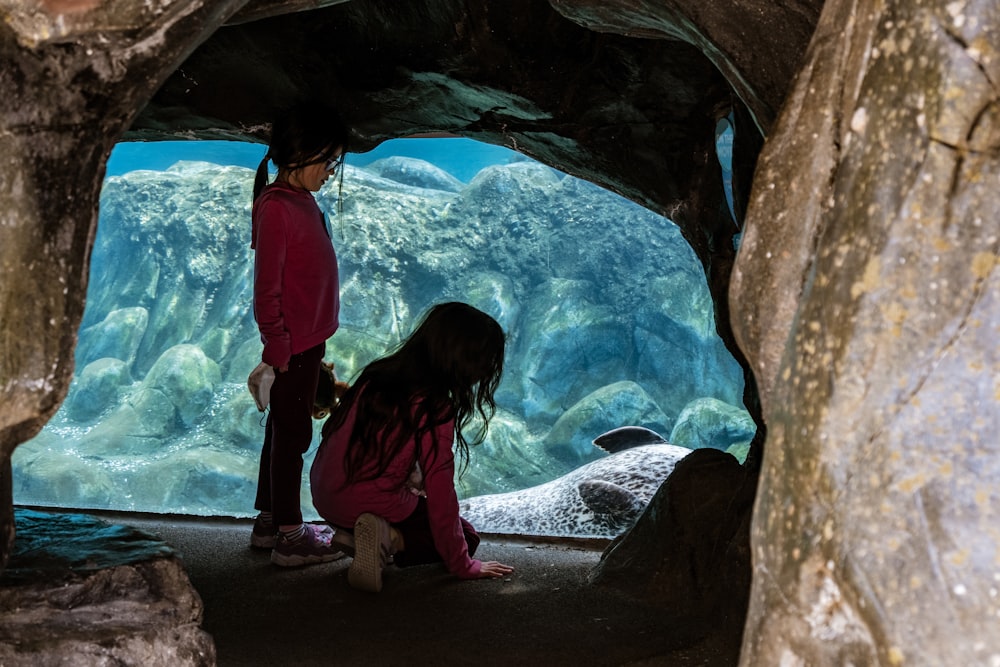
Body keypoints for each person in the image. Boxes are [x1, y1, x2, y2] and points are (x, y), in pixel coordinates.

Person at [310, 302, 516, 592]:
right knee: (466, 536)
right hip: (371, 501)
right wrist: (463, 565)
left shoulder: (375, 375)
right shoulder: (434, 407)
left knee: (397, 499)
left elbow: (336, 436)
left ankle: (353, 532)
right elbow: (441, 494)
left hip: (325, 498)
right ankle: (389, 539)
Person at [249, 102, 350, 567]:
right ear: (300, 154)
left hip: (308, 339)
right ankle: (291, 536)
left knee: (283, 430)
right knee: (293, 437)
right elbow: (267, 287)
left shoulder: (299, 201)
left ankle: (271, 520)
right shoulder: (276, 208)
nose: (331, 171)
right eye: (327, 161)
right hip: (295, 343)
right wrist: (277, 345)